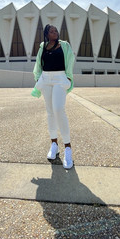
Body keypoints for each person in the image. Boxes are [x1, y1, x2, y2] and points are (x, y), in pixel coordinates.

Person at [31, 24, 75, 169]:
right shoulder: (43, 46)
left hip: (60, 78)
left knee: (58, 109)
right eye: (52, 31)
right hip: (46, 79)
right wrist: (38, 79)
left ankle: (68, 148)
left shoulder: (64, 45)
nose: (55, 33)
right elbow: (38, 63)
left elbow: (70, 60)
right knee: (50, 112)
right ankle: (54, 145)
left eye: (56, 31)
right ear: (46, 34)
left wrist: (68, 78)